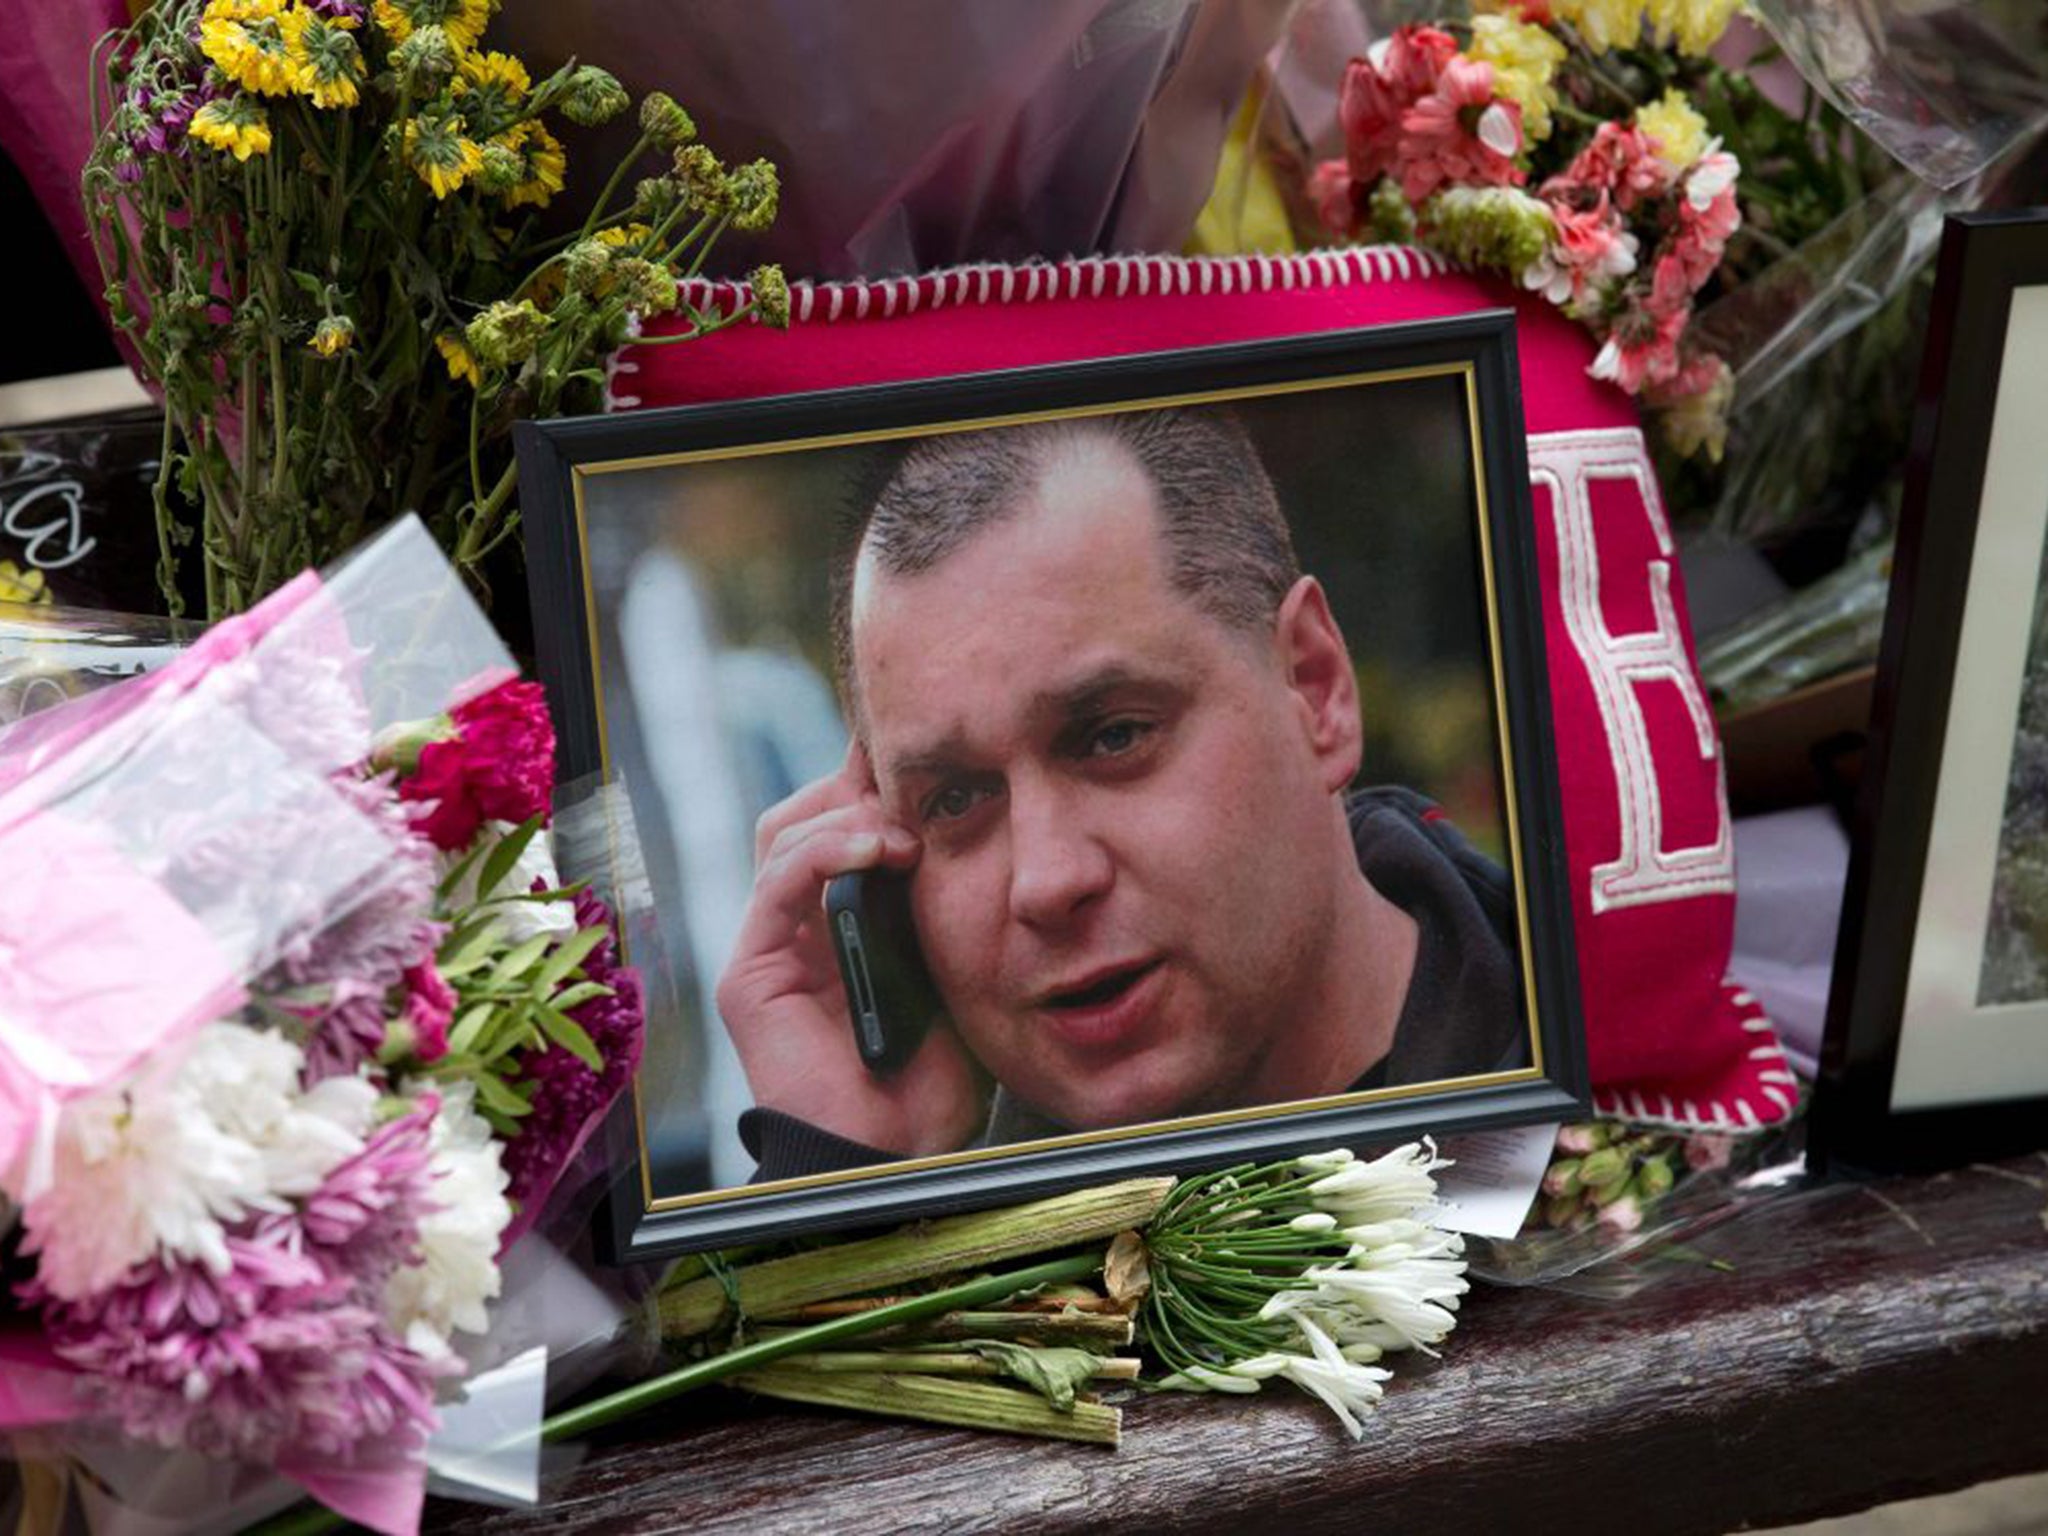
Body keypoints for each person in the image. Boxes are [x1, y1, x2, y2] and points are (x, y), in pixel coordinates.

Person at [714, 408, 1527, 1181]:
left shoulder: (1616, 1093)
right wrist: (853, 1193)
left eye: (1113, 736)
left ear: (1315, 690)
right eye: (956, 800)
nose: (1046, 881)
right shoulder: (929, 1189)